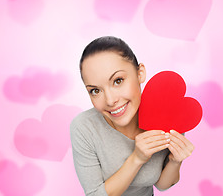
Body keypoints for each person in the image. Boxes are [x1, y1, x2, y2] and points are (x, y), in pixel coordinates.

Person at [70, 36, 194, 196]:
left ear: (140, 73)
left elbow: (162, 185)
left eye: (118, 80)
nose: (110, 100)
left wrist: (175, 161)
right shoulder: (84, 127)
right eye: (95, 90)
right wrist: (137, 158)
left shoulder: (167, 114)